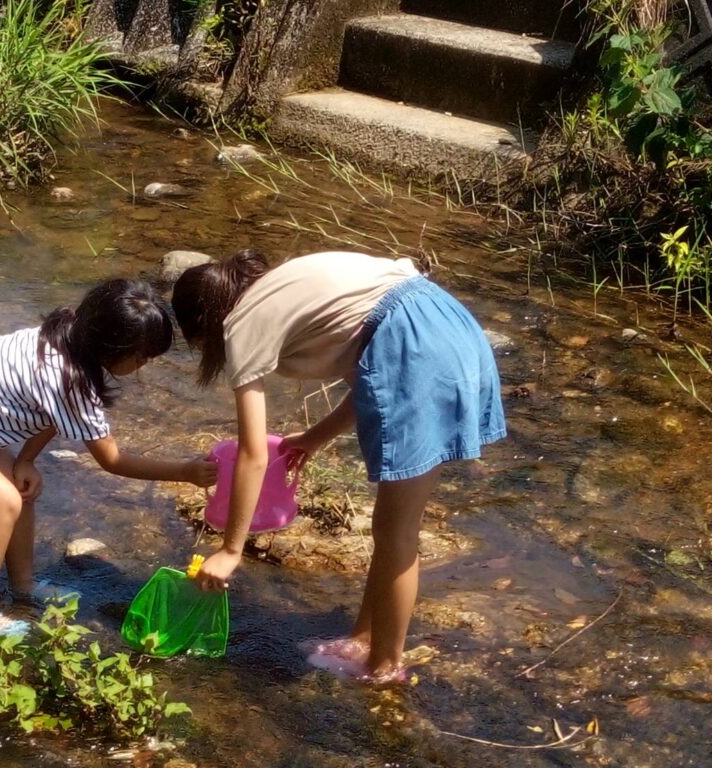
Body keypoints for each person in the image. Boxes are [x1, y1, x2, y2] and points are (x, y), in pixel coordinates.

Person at [171, 250, 505, 682]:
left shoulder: (241, 325)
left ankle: (385, 667)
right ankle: (363, 638)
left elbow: (254, 453)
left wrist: (230, 550)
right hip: (448, 324)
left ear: (207, 325)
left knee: (396, 530)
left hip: (416, 348)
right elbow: (371, 376)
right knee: (390, 526)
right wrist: (313, 439)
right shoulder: (287, 289)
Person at [0, 278, 217, 636]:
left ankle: (23, 587)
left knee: (20, 490)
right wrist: (185, 471)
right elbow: (112, 460)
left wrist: (26, 460)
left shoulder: (66, 331)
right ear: (111, 346)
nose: (145, 363)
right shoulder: (70, 383)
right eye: (142, 355)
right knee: (3, 503)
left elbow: (49, 409)